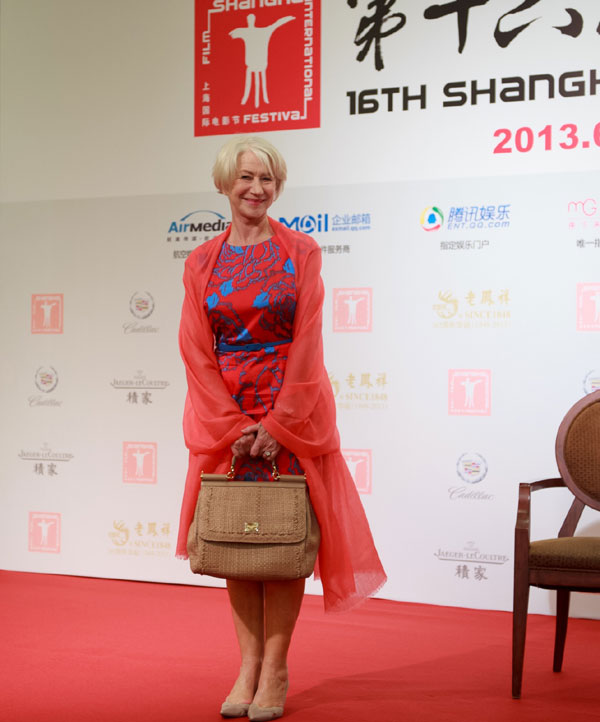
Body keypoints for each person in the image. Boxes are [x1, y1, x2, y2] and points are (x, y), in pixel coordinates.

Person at [176, 136, 386, 720]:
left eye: (267, 179)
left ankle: (276, 669)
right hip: (227, 417)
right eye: (245, 178)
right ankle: (244, 668)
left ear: (278, 186)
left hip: (291, 408)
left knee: (281, 540)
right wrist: (232, 423)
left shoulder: (302, 252)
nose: (256, 189)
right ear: (224, 183)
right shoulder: (201, 261)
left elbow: (309, 341)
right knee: (236, 541)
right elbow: (195, 347)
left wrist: (279, 422)